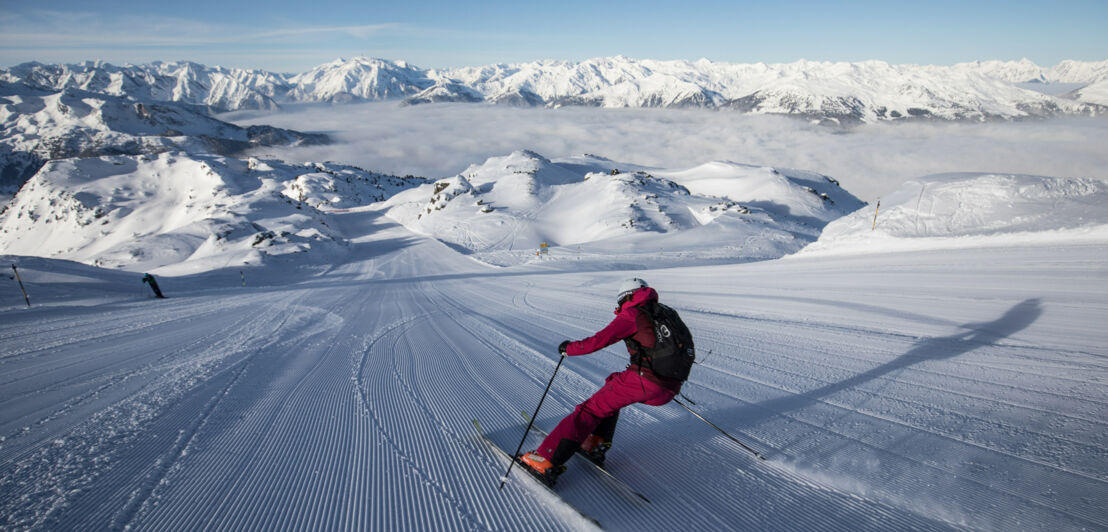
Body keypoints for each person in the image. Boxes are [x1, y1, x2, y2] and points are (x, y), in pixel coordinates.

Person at [519, 278, 684, 481]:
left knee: (588, 410)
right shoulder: (665, 313)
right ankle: (595, 442)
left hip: (645, 380)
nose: (619, 307)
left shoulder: (633, 313)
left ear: (626, 297)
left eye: (620, 303)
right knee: (613, 385)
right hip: (670, 385)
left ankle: (544, 461)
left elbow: (600, 340)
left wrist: (568, 348)